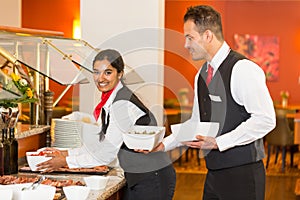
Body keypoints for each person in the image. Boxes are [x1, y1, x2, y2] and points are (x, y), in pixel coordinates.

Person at [156, 5, 276, 200]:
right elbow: (196, 123)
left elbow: (266, 119)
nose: (186, 45)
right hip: (213, 174)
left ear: (208, 36)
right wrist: (162, 145)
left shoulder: (242, 69)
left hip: (243, 176)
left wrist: (219, 142)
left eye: (190, 37)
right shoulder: (201, 75)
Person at [37, 49, 176, 200]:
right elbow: (101, 143)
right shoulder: (111, 100)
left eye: (108, 72)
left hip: (152, 178)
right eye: (96, 72)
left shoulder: (121, 104)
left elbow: (106, 154)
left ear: (120, 74)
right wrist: (67, 153)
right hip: (143, 176)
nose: (100, 78)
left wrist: (65, 161)